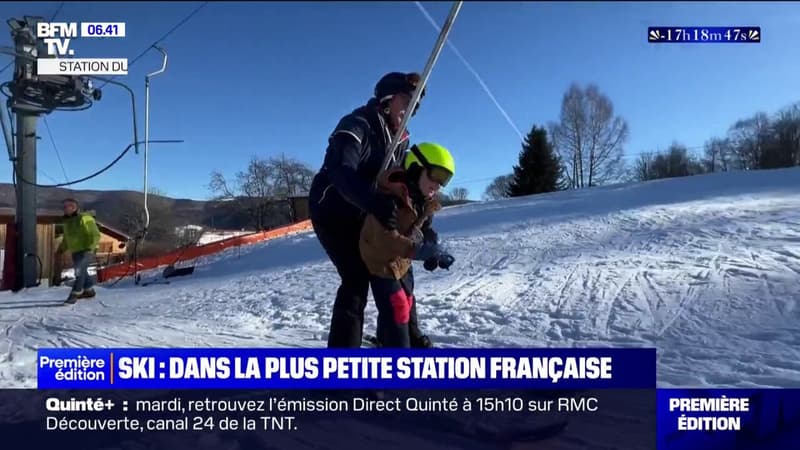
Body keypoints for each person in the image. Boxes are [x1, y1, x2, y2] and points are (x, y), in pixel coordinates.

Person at [309, 71, 432, 348]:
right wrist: (372, 200)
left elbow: (405, 187)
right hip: (333, 213)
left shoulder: (401, 141)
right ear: (387, 100)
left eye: (416, 106)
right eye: (407, 100)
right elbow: (340, 170)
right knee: (355, 280)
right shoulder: (357, 124)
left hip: (365, 215)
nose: (412, 110)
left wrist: (425, 225)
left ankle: (403, 337)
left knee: (399, 270)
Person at [359, 142, 456, 347]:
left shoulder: (422, 199)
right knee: (398, 306)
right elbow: (385, 238)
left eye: (444, 180)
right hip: (381, 260)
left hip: (402, 259)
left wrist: (432, 247)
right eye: (436, 175)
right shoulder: (388, 198)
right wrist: (418, 250)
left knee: (408, 300)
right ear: (415, 167)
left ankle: (395, 338)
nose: (438, 185)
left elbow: (424, 228)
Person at [57, 198, 101, 304]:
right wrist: (61, 249)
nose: (64, 209)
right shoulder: (67, 222)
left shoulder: (85, 218)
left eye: (66, 206)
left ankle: (75, 293)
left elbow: (95, 234)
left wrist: (91, 247)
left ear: (74, 207)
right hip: (75, 251)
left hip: (87, 250)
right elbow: (67, 238)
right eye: (63, 207)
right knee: (82, 271)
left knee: (78, 271)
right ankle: (89, 290)